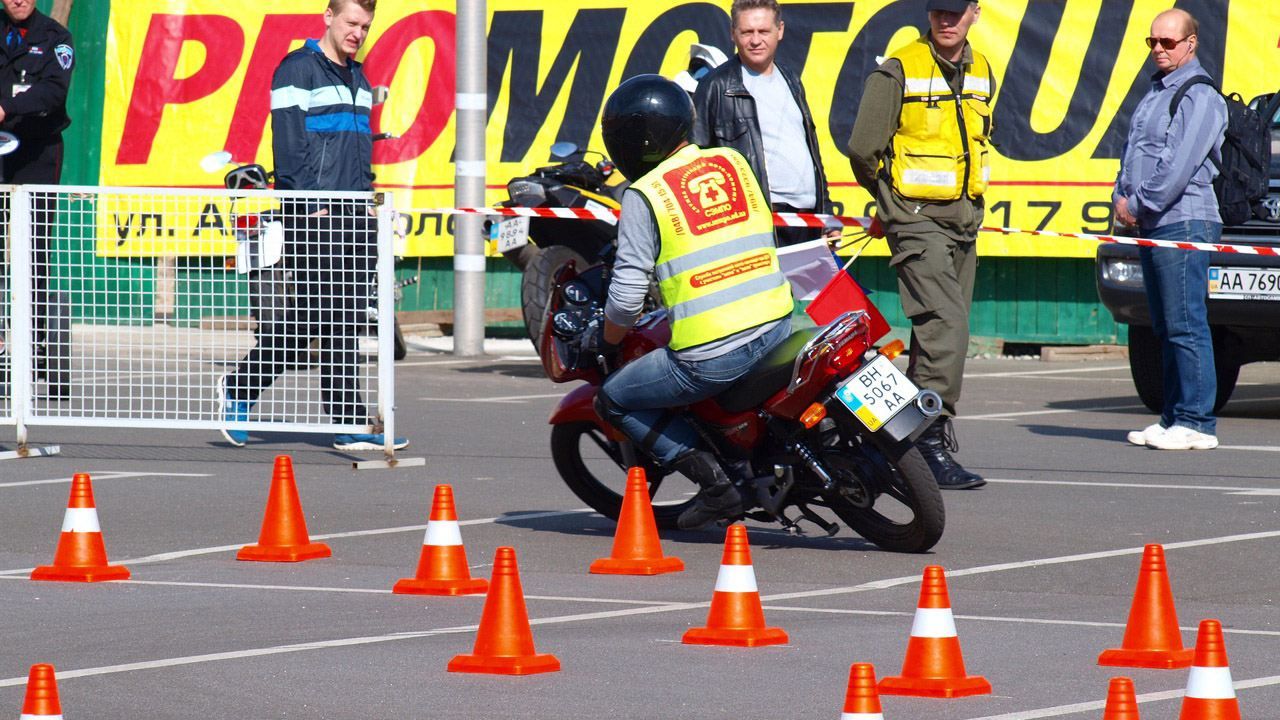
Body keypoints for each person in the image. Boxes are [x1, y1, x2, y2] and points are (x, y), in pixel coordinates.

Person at [593, 74, 795, 529]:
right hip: (779, 321)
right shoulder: (731, 160)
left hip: (712, 355)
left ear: (633, 142)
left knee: (615, 400)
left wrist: (609, 340)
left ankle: (719, 489)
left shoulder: (645, 195)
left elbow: (626, 301)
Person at [217, 0, 405, 451]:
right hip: (313, 215)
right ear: (328, 16)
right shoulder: (297, 69)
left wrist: (366, 203)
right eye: (350, 23)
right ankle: (345, 423)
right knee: (327, 318)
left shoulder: (359, 77)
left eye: (365, 25)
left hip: (353, 215)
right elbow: (288, 142)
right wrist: (305, 204)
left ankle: (244, 390)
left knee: (327, 319)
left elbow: (356, 151)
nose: (357, 33)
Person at [845, 0, 994, 489]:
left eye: (956, 12)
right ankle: (928, 444)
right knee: (947, 327)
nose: (946, 21)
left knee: (934, 336)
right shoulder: (898, 69)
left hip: (963, 220)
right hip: (916, 218)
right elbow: (863, 150)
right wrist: (893, 208)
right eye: (938, 12)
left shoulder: (983, 70)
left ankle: (896, 438)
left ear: (975, 11)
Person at [1118, 9, 1226, 451]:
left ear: (1191, 43)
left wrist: (1139, 202)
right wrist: (1121, 198)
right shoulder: (1155, 93)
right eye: (1153, 43)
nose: (1159, 50)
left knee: (1185, 323)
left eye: (1168, 42)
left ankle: (1198, 421)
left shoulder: (1199, 95)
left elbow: (1177, 166)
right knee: (1164, 324)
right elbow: (1134, 155)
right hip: (1153, 221)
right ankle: (1171, 418)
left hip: (1183, 219)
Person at [691, 0, 837, 246]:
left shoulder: (791, 79)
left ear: (779, 30)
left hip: (808, 219)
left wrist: (827, 215)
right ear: (733, 34)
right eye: (747, 32)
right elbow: (696, 161)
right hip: (753, 222)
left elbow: (811, 153)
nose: (755, 40)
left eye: (763, 31)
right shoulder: (715, 86)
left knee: (808, 287)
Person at [0, 0, 74, 398]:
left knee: (33, 248)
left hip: (36, 149)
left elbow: (53, 91)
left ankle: (34, 342)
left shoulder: (56, 37)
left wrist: (6, 107)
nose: (18, 0)